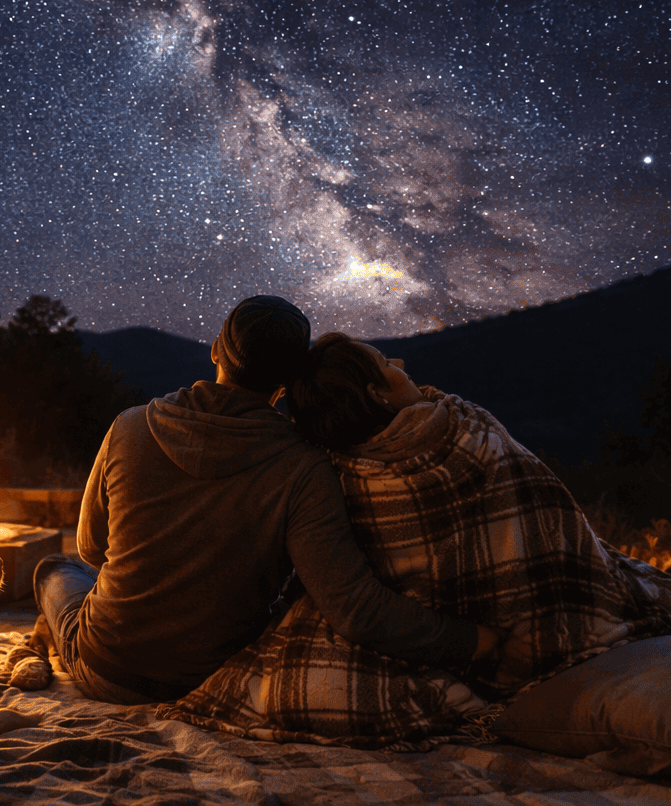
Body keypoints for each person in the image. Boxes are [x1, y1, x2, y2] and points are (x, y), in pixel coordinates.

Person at [156, 333, 671, 745]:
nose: (402, 364)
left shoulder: (327, 470)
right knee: (666, 597)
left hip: (435, 638)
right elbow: (552, 524)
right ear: (379, 394)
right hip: (513, 632)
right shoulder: (472, 437)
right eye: (387, 364)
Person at [32, 297, 502, 705]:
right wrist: (472, 640)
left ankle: (51, 634)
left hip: (105, 669)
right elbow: (354, 608)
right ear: (289, 379)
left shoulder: (130, 426)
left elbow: (92, 548)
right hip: (209, 676)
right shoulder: (305, 466)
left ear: (215, 349)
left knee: (56, 567)